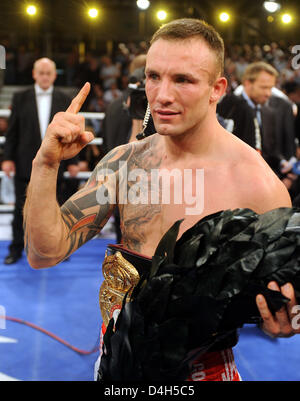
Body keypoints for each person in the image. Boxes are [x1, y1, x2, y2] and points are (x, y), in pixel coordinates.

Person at [23, 19, 299, 381]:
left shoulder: (256, 183)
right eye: (154, 76)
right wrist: (44, 164)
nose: (162, 95)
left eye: (183, 80)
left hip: (203, 372)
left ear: (217, 88)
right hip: (114, 366)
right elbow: (43, 253)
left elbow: (283, 306)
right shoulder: (124, 163)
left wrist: (284, 320)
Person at [2, 57, 79, 265]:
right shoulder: (20, 97)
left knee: (58, 207)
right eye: (41, 73)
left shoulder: (64, 98)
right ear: (35, 74)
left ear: (54, 75)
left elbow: (73, 132)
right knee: (20, 208)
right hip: (24, 161)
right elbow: (12, 131)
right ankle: (17, 248)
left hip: (56, 164)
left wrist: (74, 160)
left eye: (48, 73)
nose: (45, 76)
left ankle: (59, 248)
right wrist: (7, 158)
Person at [217, 62, 296, 176]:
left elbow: (269, 150)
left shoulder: (268, 111)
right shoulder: (230, 107)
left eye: (270, 88)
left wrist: (281, 162)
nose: (268, 93)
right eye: (264, 87)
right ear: (248, 83)